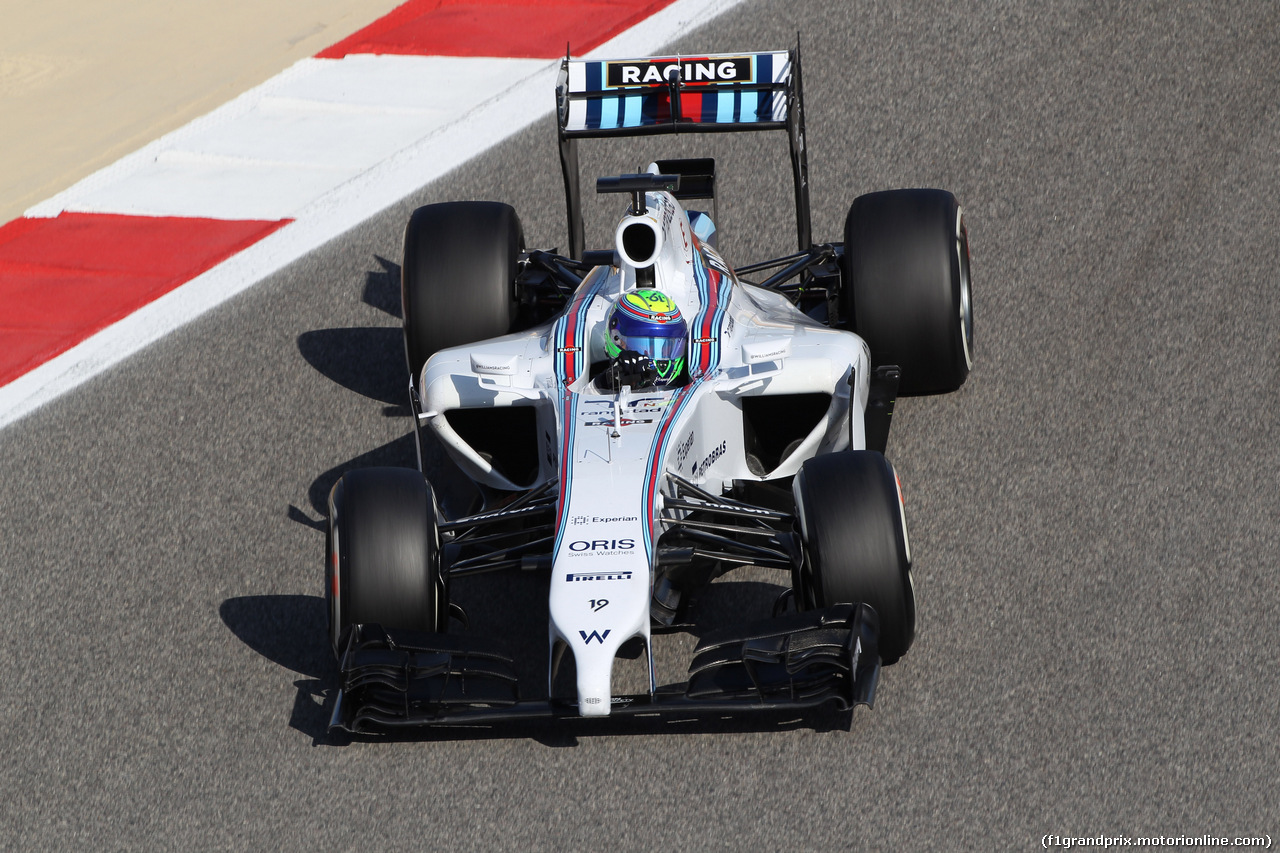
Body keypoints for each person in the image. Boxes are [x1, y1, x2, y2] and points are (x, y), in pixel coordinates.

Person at [594, 289, 689, 390]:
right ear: (616, 338)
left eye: (667, 347)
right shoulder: (601, 384)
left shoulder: (696, 382)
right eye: (645, 346)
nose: (661, 360)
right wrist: (604, 382)